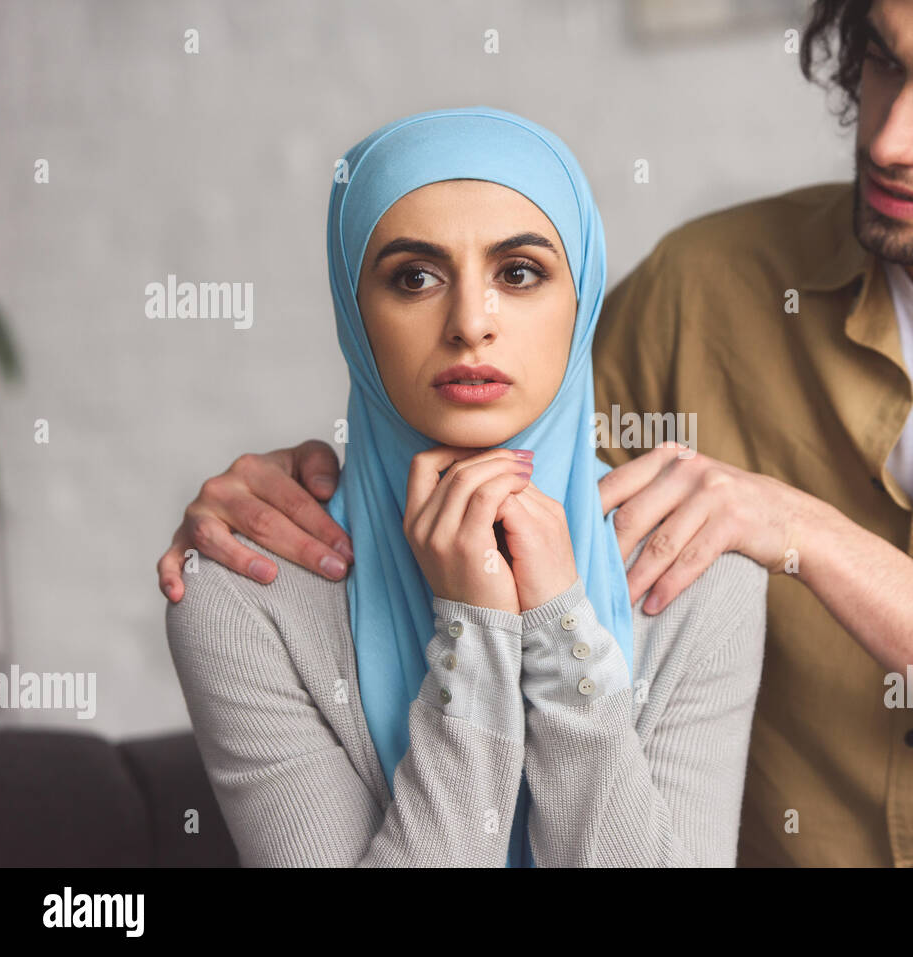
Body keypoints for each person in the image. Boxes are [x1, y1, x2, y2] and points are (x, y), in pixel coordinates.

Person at [160, 0, 913, 866]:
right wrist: (280, 489)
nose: (892, 136)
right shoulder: (707, 289)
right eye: (883, 60)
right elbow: (488, 432)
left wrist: (805, 534)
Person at [164, 106, 767, 867]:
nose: (470, 322)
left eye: (518, 273)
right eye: (414, 277)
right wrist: (475, 634)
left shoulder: (699, 573)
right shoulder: (242, 597)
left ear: (580, 301)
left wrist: (559, 628)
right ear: (356, 315)